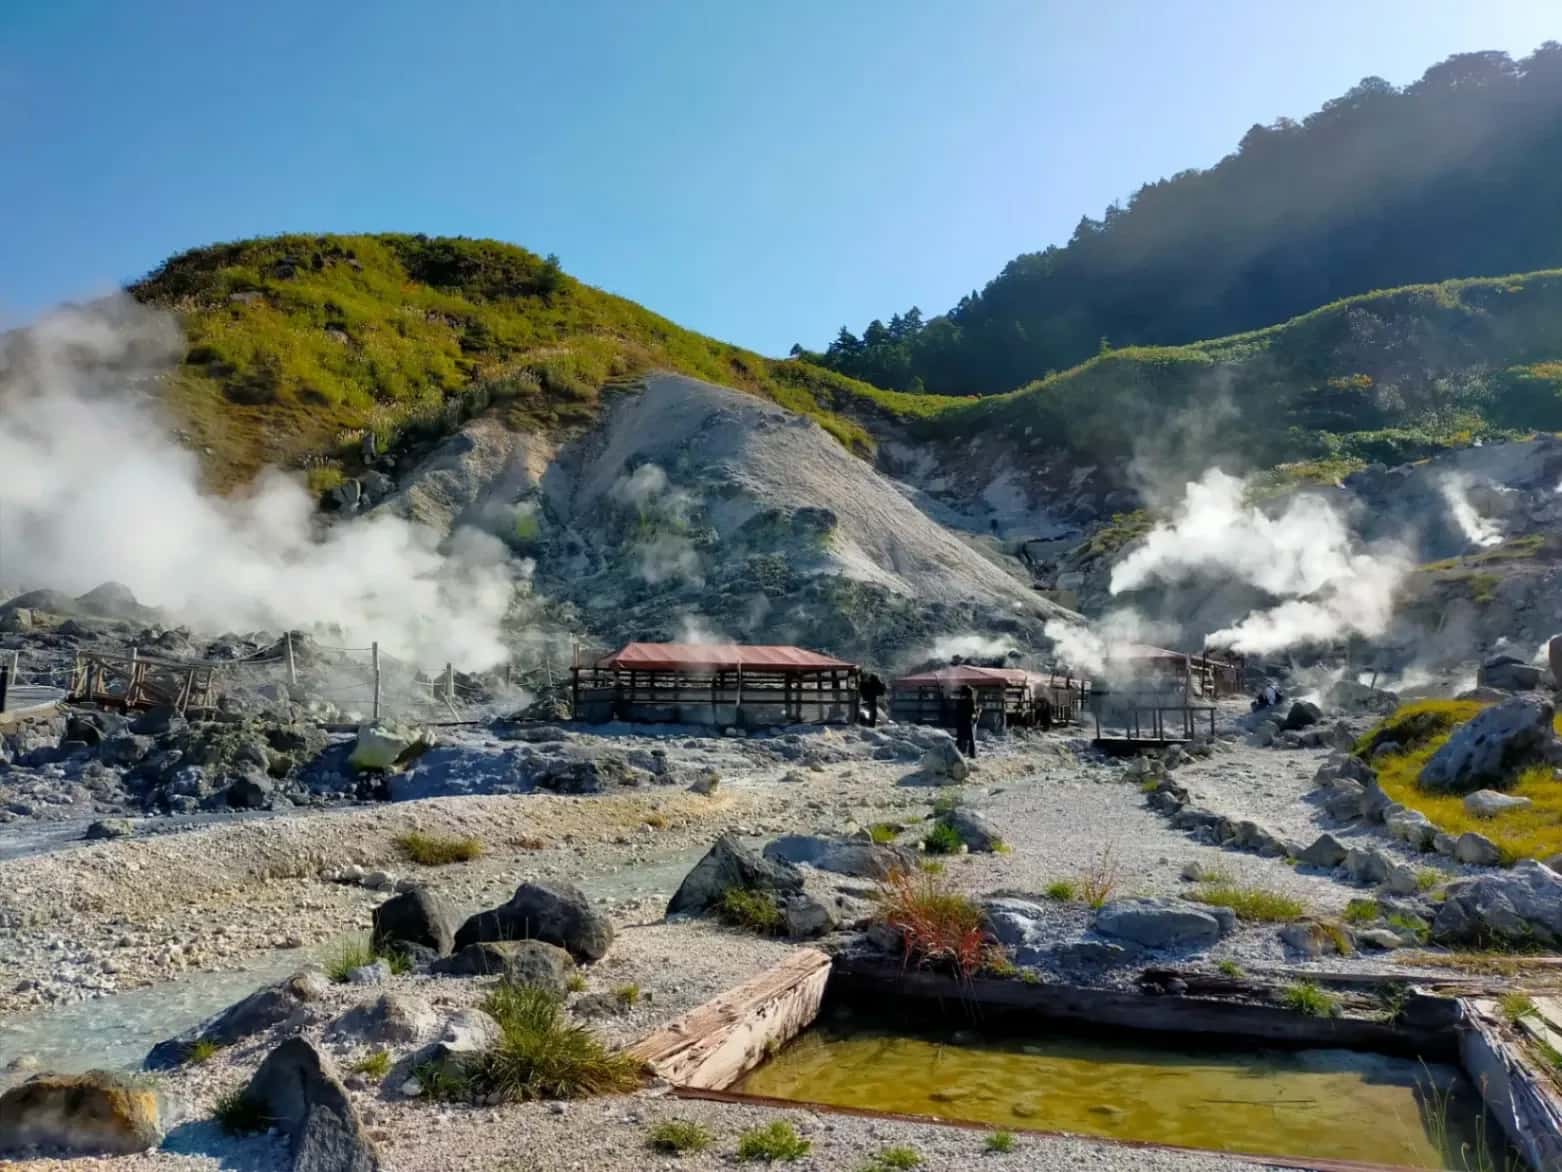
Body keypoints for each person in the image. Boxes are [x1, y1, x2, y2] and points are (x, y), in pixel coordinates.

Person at [954, 684, 979, 758]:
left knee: (960, 739)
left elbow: (957, 713)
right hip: (968, 723)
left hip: (960, 723)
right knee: (971, 740)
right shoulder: (971, 701)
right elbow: (973, 713)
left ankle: (957, 753)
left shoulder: (959, 702)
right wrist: (977, 713)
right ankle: (972, 755)